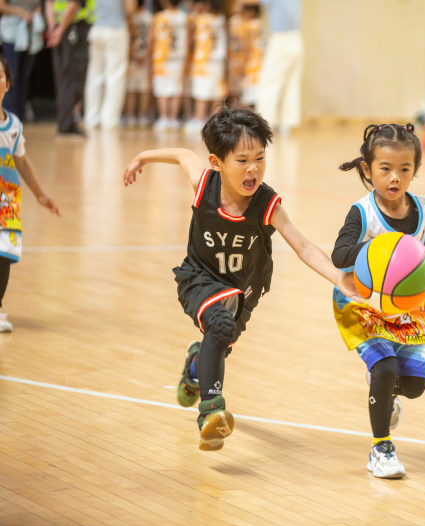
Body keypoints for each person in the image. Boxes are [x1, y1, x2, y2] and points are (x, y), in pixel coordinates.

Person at [122, 105, 358, 451]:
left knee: (218, 343)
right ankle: (211, 413)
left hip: (243, 289)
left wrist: (338, 278)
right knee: (217, 325)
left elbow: (304, 246)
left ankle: (194, 366)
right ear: (217, 162)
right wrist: (143, 156)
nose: (253, 169)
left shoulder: (267, 204)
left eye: (260, 158)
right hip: (199, 277)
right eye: (243, 160)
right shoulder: (204, 182)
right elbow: (183, 154)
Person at [331, 123, 425, 479]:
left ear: (415, 170)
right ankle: (380, 449)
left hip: (410, 307)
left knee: (413, 386)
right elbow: (339, 256)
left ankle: (385, 392)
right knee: (384, 369)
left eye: (404, 169)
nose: (395, 178)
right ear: (367, 170)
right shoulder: (363, 213)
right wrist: (376, 250)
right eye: (385, 169)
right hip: (363, 304)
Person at [0, 55, 60, 332]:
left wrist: (40, 194)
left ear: (8, 84)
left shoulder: (13, 125)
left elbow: (21, 161)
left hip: (7, 202)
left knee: (4, 254)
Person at [44, 0, 94, 136]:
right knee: (73, 78)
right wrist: (59, 31)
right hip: (74, 28)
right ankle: (67, 125)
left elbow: (49, 3)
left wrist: (52, 29)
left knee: (64, 78)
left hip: (60, 28)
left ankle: (67, 123)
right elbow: (74, 4)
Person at [84, 0, 135, 130]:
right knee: (115, 76)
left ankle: (91, 118)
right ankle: (109, 120)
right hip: (116, 29)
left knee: (94, 76)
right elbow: (130, 10)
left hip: (95, 28)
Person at [255, 0, 303, 134]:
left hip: (281, 39)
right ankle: (286, 123)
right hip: (296, 38)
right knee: (291, 83)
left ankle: (264, 123)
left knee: (269, 82)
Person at [184, 0, 226, 134]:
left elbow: (190, 34)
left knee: (201, 91)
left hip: (203, 60)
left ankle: (199, 119)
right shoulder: (221, 19)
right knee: (216, 91)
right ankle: (217, 121)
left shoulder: (200, 19)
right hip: (218, 60)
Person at [0, 0, 46, 120]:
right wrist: (21, 12)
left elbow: (39, 5)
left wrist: (36, 12)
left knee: (24, 76)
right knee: (11, 75)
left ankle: (21, 113)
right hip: (11, 35)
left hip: (29, 35)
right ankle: (9, 114)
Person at [150, 0, 187, 131]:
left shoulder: (159, 17)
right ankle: (173, 118)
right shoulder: (184, 17)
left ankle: (163, 117)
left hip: (162, 58)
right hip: (178, 57)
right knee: (176, 89)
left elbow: (152, 39)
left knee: (162, 89)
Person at [122, 0, 152, 127]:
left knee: (131, 89)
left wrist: (131, 54)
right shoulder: (149, 18)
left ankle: (130, 116)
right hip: (145, 57)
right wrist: (146, 55)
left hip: (131, 57)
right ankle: (142, 116)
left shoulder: (129, 18)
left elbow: (128, 37)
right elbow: (151, 39)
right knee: (144, 89)